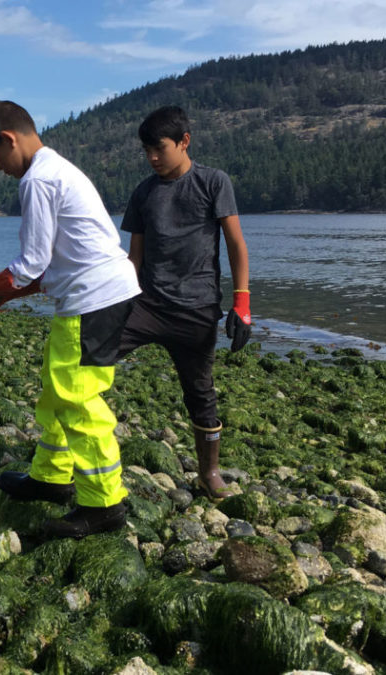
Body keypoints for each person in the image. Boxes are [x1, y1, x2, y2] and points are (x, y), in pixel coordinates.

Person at [0, 100, 141, 539]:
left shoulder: (38, 179)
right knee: (57, 388)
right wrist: (6, 292)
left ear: (9, 139)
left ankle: (103, 503)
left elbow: (32, 263)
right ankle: (52, 476)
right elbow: (59, 261)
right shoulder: (58, 169)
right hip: (92, 294)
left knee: (77, 398)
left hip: (93, 299)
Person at [117, 105, 251, 500]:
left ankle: (209, 473)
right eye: (146, 151)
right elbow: (134, 260)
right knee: (89, 355)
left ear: (184, 141)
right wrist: (111, 302)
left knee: (200, 393)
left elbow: (235, 243)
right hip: (147, 305)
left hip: (197, 309)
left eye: (159, 148)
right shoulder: (144, 192)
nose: (152, 158)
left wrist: (241, 303)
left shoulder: (213, 182)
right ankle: (76, 448)